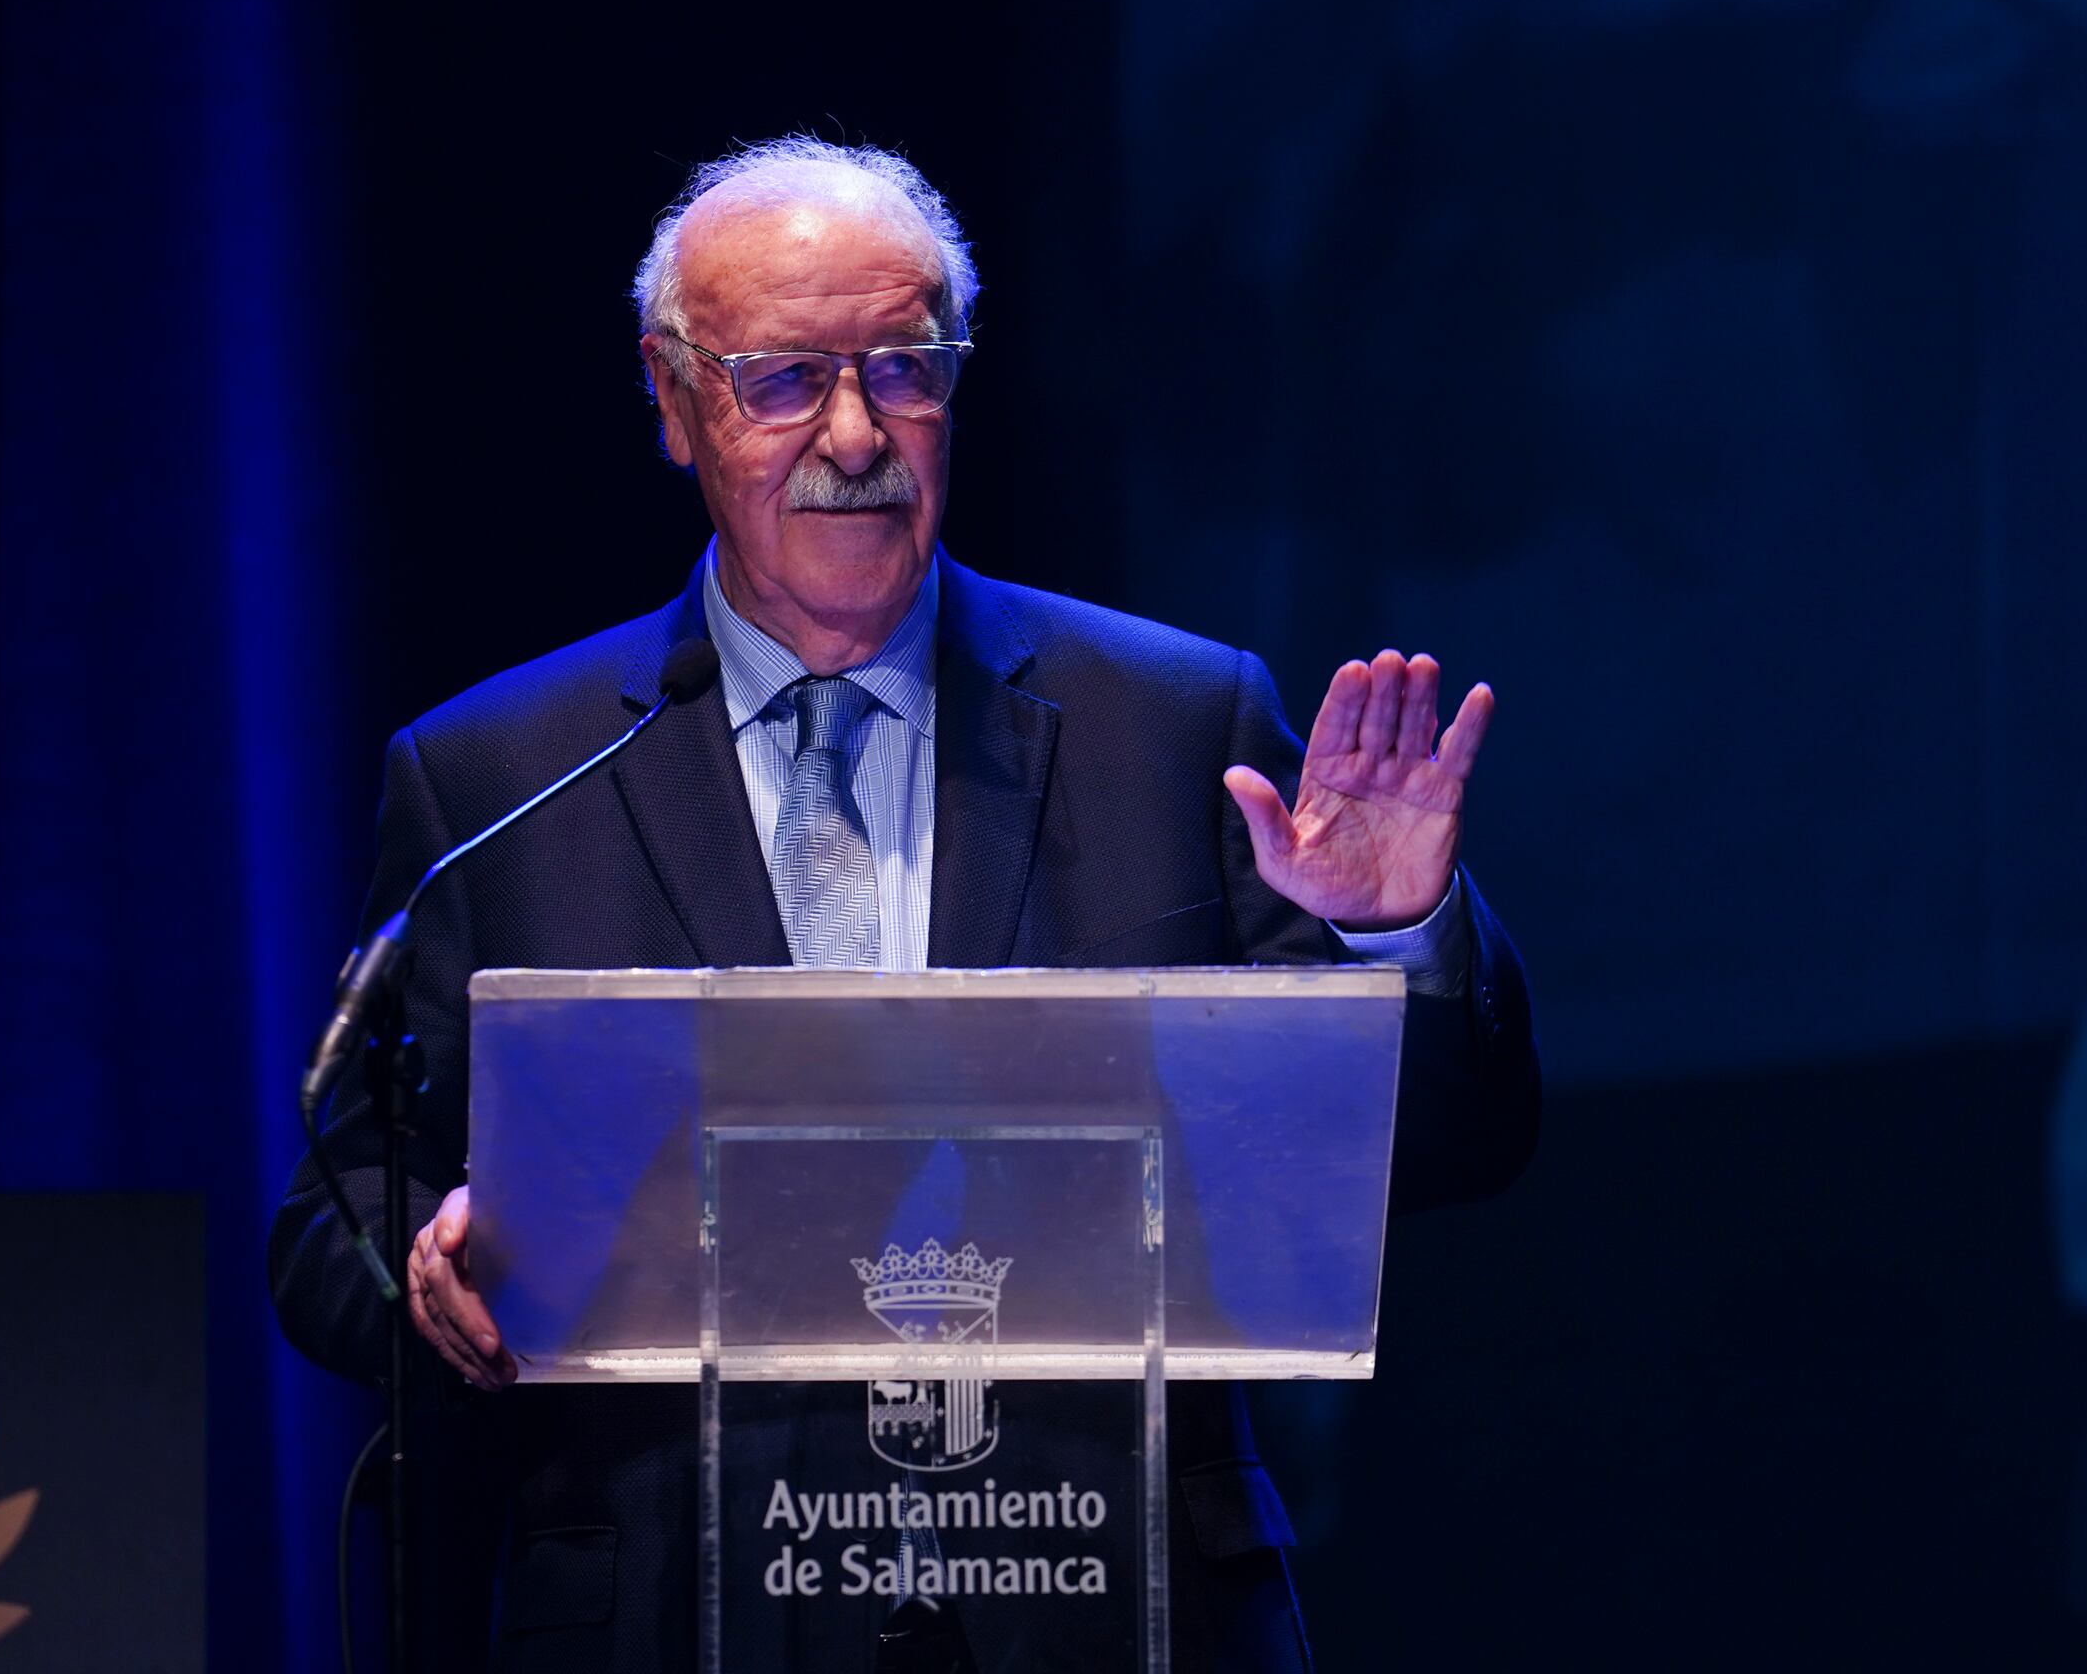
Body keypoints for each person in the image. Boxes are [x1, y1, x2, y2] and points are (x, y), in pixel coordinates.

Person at [269, 138, 1540, 1671]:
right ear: (673, 401)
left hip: (1112, 1614)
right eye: (787, 380)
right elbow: (338, 1207)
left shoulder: (1172, 723)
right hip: (678, 1620)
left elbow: (1443, 1154)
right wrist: (426, 1270)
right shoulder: (498, 775)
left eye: (903, 371)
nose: (857, 433)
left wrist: (1392, 935)